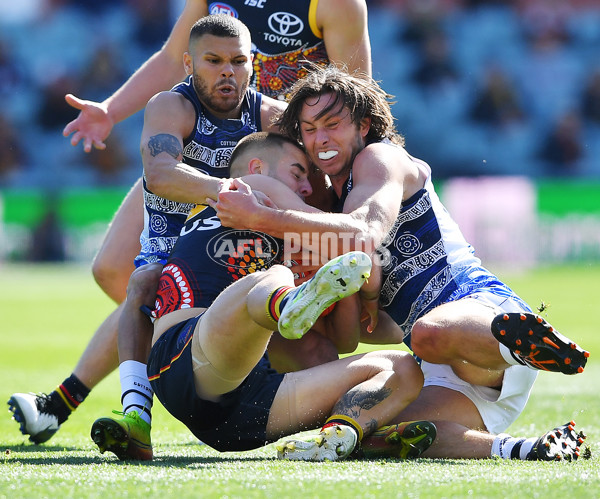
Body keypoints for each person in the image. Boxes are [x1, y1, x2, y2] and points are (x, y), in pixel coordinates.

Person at [8, 0, 372, 444]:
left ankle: (359, 412)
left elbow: (354, 98)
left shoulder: (330, 13)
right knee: (122, 276)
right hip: (203, 196)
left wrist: (357, 199)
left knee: (315, 326)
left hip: (261, 181)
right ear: (194, 64)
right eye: (215, 61)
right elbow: (170, 67)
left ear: (251, 63)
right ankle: (115, 396)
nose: (227, 70)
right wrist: (111, 110)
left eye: (238, 61)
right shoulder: (173, 106)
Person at [209, 65, 589, 461]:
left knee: (428, 331)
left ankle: (524, 346)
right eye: (308, 129)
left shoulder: (379, 157)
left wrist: (263, 218)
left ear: (364, 125)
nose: (320, 139)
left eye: (332, 124)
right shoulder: (329, 206)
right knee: (378, 434)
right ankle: (531, 449)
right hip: (446, 366)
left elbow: (363, 233)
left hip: (478, 315)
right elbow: (374, 324)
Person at [90, 131, 435, 461]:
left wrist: (345, 286)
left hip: (240, 419)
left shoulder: (288, 236)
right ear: (256, 168)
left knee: (401, 369)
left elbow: (344, 343)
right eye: (298, 172)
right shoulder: (254, 188)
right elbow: (357, 243)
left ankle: (343, 434)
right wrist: (365, 285)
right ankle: (289, 303)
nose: (307, 186)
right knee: (274, 275)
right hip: (184, 356)